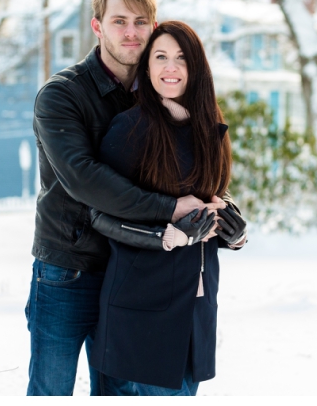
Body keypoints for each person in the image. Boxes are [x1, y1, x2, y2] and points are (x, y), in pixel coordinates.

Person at [26, 0, 234, 396]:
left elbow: (184, 169)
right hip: (70, 267)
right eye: (119, 21)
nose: (131, 32)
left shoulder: (158, 91)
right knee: (51, 390)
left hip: (133, 272)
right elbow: (86, 179)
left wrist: (222, 210)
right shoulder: (61, 95)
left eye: (141, 22)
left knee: (118, 392)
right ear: (97, 26)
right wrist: (172, 209)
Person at [87, 21, 246, 396]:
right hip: (140, 311)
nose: (170, 68)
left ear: (197, 69)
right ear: (147, 68)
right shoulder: (129, 129)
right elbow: (99, 213)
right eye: (160, 57)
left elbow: (208, 202)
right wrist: (168, 235)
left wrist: (231, 232)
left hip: (194, 307)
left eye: (180, 58)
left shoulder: (211, 131)